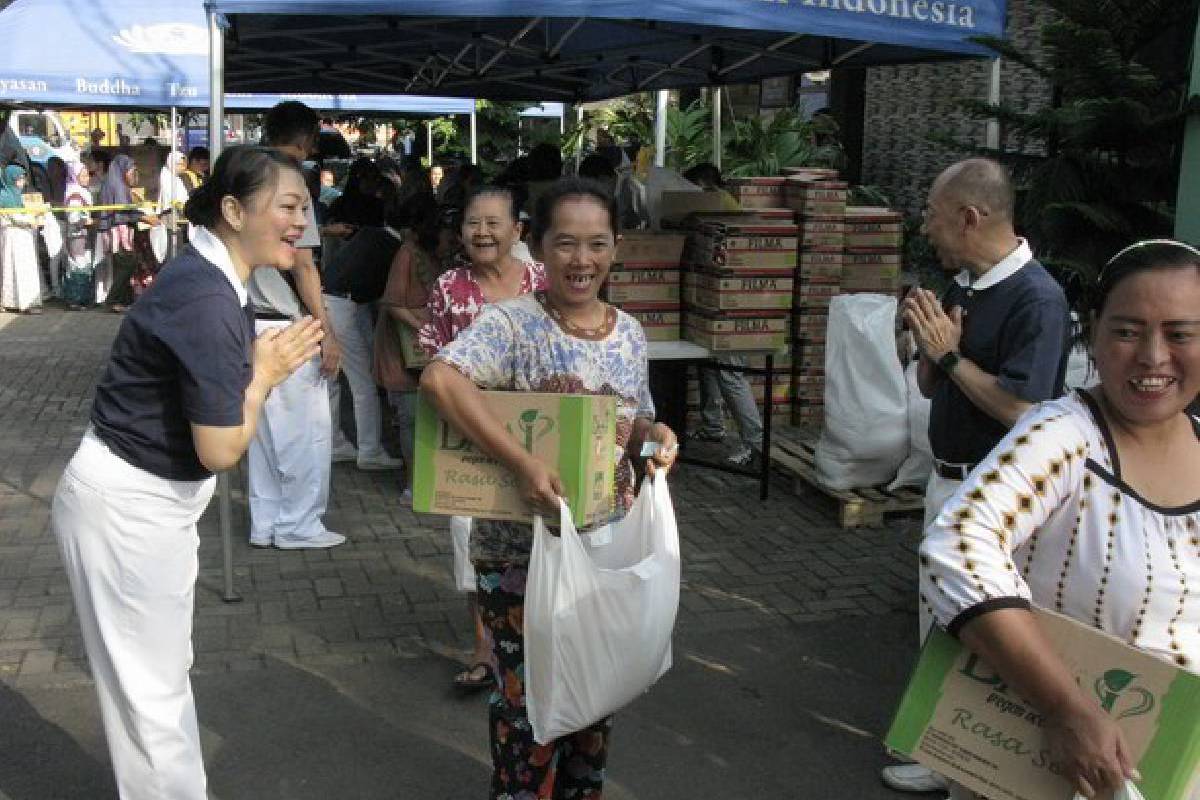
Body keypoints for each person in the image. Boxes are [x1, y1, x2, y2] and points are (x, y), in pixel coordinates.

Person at [51, 144, 324, 800]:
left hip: (141, 504)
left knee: (156, 685)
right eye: (287, 206)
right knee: (154, 699)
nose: (301, 224)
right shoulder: (206, 296)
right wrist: (263, 375)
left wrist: (253, 367)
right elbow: (221, 449)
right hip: (127, 507)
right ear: (233, 209)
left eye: (305, 209)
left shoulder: (210, 277)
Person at [420, 177, 678, 799]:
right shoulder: (510, 324)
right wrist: (520, 464)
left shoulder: (630, 332)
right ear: (537, 246)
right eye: (565, 243)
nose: (581, 260)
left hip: (600, 550)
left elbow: (631, 419)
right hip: (517, 554)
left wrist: (655, 436)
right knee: (529, 704)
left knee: (594, 696)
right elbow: (441, 381)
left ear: (616, 247)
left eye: (597, 244)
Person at [920, 239, 1200, 800]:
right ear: (1092, 334)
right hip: (1061, 772)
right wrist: (1064, 706)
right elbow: (957, 544)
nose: (1152, 356)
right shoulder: (1065, 437)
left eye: (1180, 333)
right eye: (1126, 330)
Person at [887, 157, 1072, 794]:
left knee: (985, 630)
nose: (926, 229)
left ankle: (981, 767)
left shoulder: (1038, 299)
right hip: (944, 479)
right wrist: (928, 349)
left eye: (934, 217)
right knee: (936, 618)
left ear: (971, 216)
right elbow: (935, 381)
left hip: (996, 498)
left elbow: (1025, 409)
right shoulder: (965, 283)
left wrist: (951, 355)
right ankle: (941, 753)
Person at [418, 185, 547, 692]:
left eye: (494, 222)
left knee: (541, 541)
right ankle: (485, 650)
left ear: (519, 229)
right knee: (471, 542)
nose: (483, 232)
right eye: (474, 222)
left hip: (540, 434)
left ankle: (538, 644)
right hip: (469, 438)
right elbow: (427, 357)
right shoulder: (450, 287)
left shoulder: (544, 279)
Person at [246, 100, 345, 550]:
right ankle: (298, 525)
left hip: (250, 319)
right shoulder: (291, 183)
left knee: (263, 436)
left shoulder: (242, 175)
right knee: (307, 435)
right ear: (307, 140)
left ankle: (265, 523)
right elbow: (304, 265)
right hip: (289, 322)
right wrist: (327, 330)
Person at [681, 162, 765, 468]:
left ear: (706, 186)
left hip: (734, 308)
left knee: (731, 373)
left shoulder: (726, 216)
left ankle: (755, 444)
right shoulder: (714, 214)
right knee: (710, 367)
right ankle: (713, 425)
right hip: (715, 305)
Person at [373, 193, 442, 488]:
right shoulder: (408, 254)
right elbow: (392, 303)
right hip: (404, 351)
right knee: (411, 417)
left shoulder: (435, 256)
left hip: (426, 350)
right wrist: (421, 326)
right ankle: (414, 485)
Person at [95, 153, 159, 311]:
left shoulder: (113, 184)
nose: (133, 174)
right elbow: (124, 212)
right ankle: (113, 300)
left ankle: (121, 301)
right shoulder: (118, 187)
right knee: (127, 264)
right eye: (131, 170)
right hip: (119, 233)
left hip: (117, 231)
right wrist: (145, 218)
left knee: (123, 266)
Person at [0, 165, 44, 314]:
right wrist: (32, 218)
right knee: (15, 269)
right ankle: (20, 303)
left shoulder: (19, 195)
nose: (22, 181)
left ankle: (26, 301)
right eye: (19, 178)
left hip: (23, 237)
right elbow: (14, 217)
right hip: (13, 238)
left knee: (26, 269)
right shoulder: (5, 196)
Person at [60, 160, 98, 309]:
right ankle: (74, 300)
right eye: (82, 175)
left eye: (87, 175)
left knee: (84, 265)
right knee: (78, 266)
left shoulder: (83, 192)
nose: (86, 178)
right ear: (75, 176)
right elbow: (73, 217)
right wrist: (86, 221)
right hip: (77, 235)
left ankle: (81, 299)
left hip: (83, 235)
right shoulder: (74, 194)